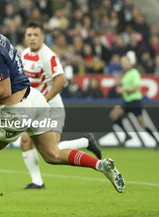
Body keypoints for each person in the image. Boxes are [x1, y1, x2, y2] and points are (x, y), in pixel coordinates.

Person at [0, 11, 125, 217]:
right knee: (52, 154)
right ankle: (100, 165)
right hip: (35, 99)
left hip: (15, 111)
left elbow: (3, 91)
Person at [20, 21, 102, 189]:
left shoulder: (48, 56)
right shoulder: (24, 55)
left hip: (51, 107)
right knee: (26, 142)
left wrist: (44, 100)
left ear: (43, 37)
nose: (32, 38)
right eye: (29, 35)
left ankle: (86, 141)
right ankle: (37, 182)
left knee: (52, 150)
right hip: (37, 108)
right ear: (25, 37)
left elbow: (61, 79)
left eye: (36, 35)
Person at [109, 53, 159, 149]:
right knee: (113, 115)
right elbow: (124, 88)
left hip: (135, 101)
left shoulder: (134, 73)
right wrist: (119, 85)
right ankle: (127, 135)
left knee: (142, 124)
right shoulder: (125, 74)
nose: (123, 64)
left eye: (124, 62)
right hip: (126, 101)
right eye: (122, 62)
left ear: (130, 62)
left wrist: (123, 90)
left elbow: (137, 87)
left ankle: (157, 142)